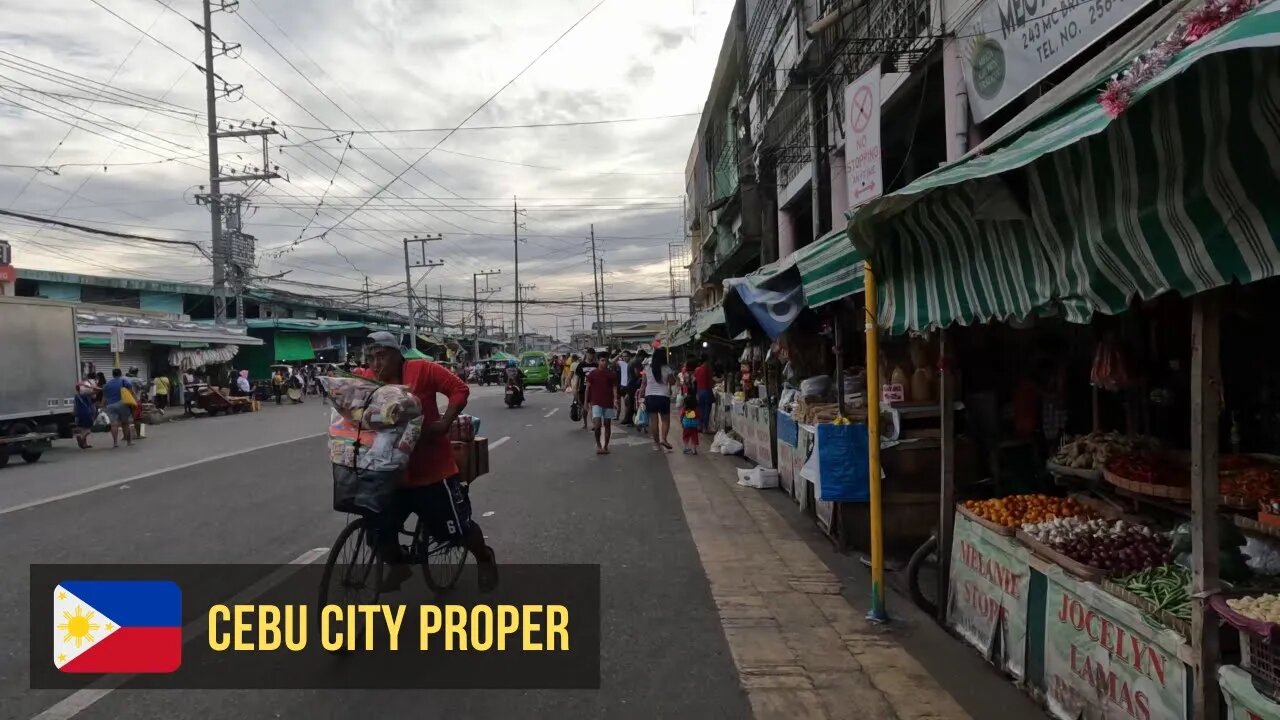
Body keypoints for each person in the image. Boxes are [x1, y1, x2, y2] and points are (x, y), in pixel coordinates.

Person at [362, 331, 498, 593]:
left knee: (458, 529)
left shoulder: (422, 370)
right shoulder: (366, 379)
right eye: (370, 358)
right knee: (377, 531)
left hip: (433, 472)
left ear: (397, 354)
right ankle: (399, 566)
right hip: (390, 474)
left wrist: (445, 423)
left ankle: (484, 557)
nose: (376, 364)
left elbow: (458, 389)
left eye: (381, 356)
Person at [645, 347, 676, 451]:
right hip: (663, 396)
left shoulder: (648, 368)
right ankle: (664, 439)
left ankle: (657, 443)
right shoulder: (667, 368)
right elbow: (672, 382)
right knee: (665, 420)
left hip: (650, 396)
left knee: (654, 421)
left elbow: (644, 382)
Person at [586, 354, 618, 455]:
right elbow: (587, 388)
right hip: (596, 402)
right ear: (598, 361)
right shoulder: (592, 374)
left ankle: (605, 446)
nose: (604, 363)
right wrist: (585, 402)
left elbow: (614, 388)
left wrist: (616, 399)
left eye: (605, 361)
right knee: (597, 424)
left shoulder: (611, 374)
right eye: (602, 360)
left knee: (607, 425)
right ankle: (599, 445)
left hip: (608, 403)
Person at [101, 368, 134, 448]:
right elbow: (130, 392)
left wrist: (102, 406)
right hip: (122, 403)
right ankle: (129, 442)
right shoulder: (123, 381)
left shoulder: (107, 384)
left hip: (110, 406)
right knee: (125, 423)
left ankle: (115, 443)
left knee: (114, 424)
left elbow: (104, 397)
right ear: (120, 374)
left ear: (113, 374)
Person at [573, 349, 596, 430]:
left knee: (591, 406)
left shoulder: (596, 365)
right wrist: (575, 390)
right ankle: (585, 423)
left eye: (593, 354)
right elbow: (577, 379)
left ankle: (593, 424)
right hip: (583, 389)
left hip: (593, 389)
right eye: (590, 354)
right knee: (585, 408)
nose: (591, 356)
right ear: (586, 354)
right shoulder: (581, 365)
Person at [695, 355, 716, 433]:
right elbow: (710, 381)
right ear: (706, 361)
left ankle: (699, 426)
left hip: (699, 391)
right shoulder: (708, 369)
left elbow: (696, 381)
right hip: (707, 391)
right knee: (707, 410)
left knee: (700, 409)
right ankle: (705, 428)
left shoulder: (697, 369)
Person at [73, 380, 97, 449]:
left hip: (79, 413)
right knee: (88, 429)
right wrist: (91, 386)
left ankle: (84, 444)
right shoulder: (87, 395)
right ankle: (81, 437)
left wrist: (75, 412)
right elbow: (96, 391)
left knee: (82, 428)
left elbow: (75, 405)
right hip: (87, 412)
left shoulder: (76, 396)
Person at [615, 350, 633, 426]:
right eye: (623, 356)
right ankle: (627, 418)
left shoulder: (632, 364)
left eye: (626, 356)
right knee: (626, 403)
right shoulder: (621, 363)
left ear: (630, 356)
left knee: (629, 402)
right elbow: (612, 361)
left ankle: (628, 419)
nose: (625, 358)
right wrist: (619, 354)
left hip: (631, 386)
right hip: (623, 386)